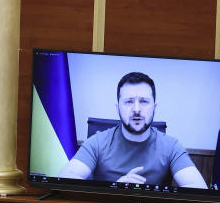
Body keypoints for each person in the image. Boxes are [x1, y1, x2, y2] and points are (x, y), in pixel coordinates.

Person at [58, 71, 208, 189]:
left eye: (144, 101)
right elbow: (64, 179)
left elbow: (199, 188)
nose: (136, 109)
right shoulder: (97, 142)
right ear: (118, 108)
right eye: (129, 102)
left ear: (154, 107)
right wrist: (114, 187)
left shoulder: (171, 146)